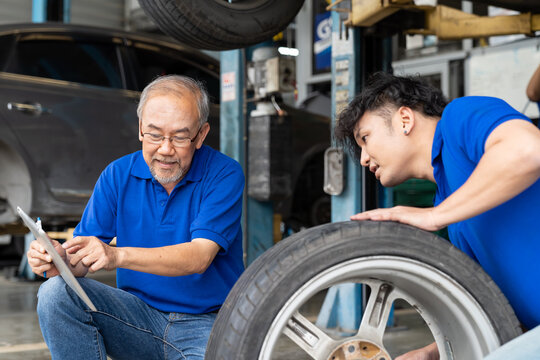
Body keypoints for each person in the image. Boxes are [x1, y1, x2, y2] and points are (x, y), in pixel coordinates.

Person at [26, 75, 245, 360]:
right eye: (155, 134)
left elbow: (199, 257)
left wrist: (117, 256)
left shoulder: (224, 174)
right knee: (55, 293)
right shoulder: (117, 175)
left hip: (207, 324)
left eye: (180, 137)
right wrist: (58, 260)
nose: (165, 149)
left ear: (201, 135)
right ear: (141, 129)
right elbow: (80, 260)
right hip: (136, 319)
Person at [334, 72, 540, 360]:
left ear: (405, 119)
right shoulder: (450, 206)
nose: (364, 158)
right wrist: (432, 353)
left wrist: (435, 216)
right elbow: (503, 313)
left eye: (365, 139)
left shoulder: (459, 117)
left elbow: (528, 150)